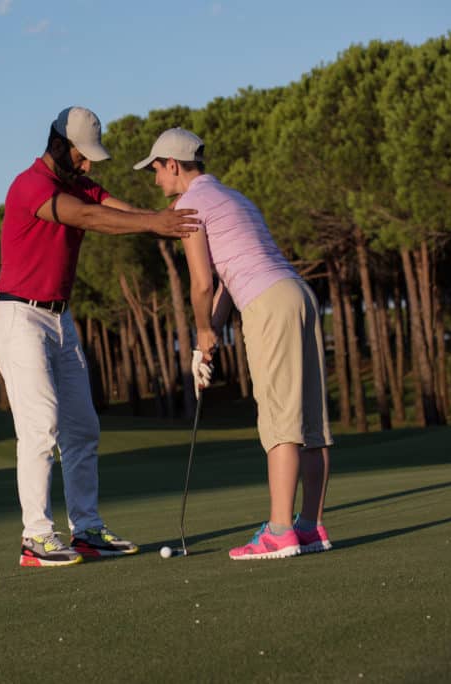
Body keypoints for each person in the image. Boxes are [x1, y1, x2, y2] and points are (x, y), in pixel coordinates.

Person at [0, 106, 200, 568]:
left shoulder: (76, 182)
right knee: (41, 427)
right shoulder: (33, 186)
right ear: (62, 147)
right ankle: (36, 538)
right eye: (84, 157)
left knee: (83, 429)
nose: (89, 166)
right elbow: (88, 218)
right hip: (19, 317)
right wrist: (154, 223)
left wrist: (167, 220)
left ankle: (85, 529)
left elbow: (112, 208)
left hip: (59, 320)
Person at [134, 127, 333, 560]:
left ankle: (280, 532)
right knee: (311, 422)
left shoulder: (187, 206)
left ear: (173, 164)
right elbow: (227, 280)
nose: (155, 180)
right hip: (299, 295)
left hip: (267, 305)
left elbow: (203, 284)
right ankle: (310, 526)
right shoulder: (234, 198)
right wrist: (208, 344)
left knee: (280, 420)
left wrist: (203, 331)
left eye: (155, 169)